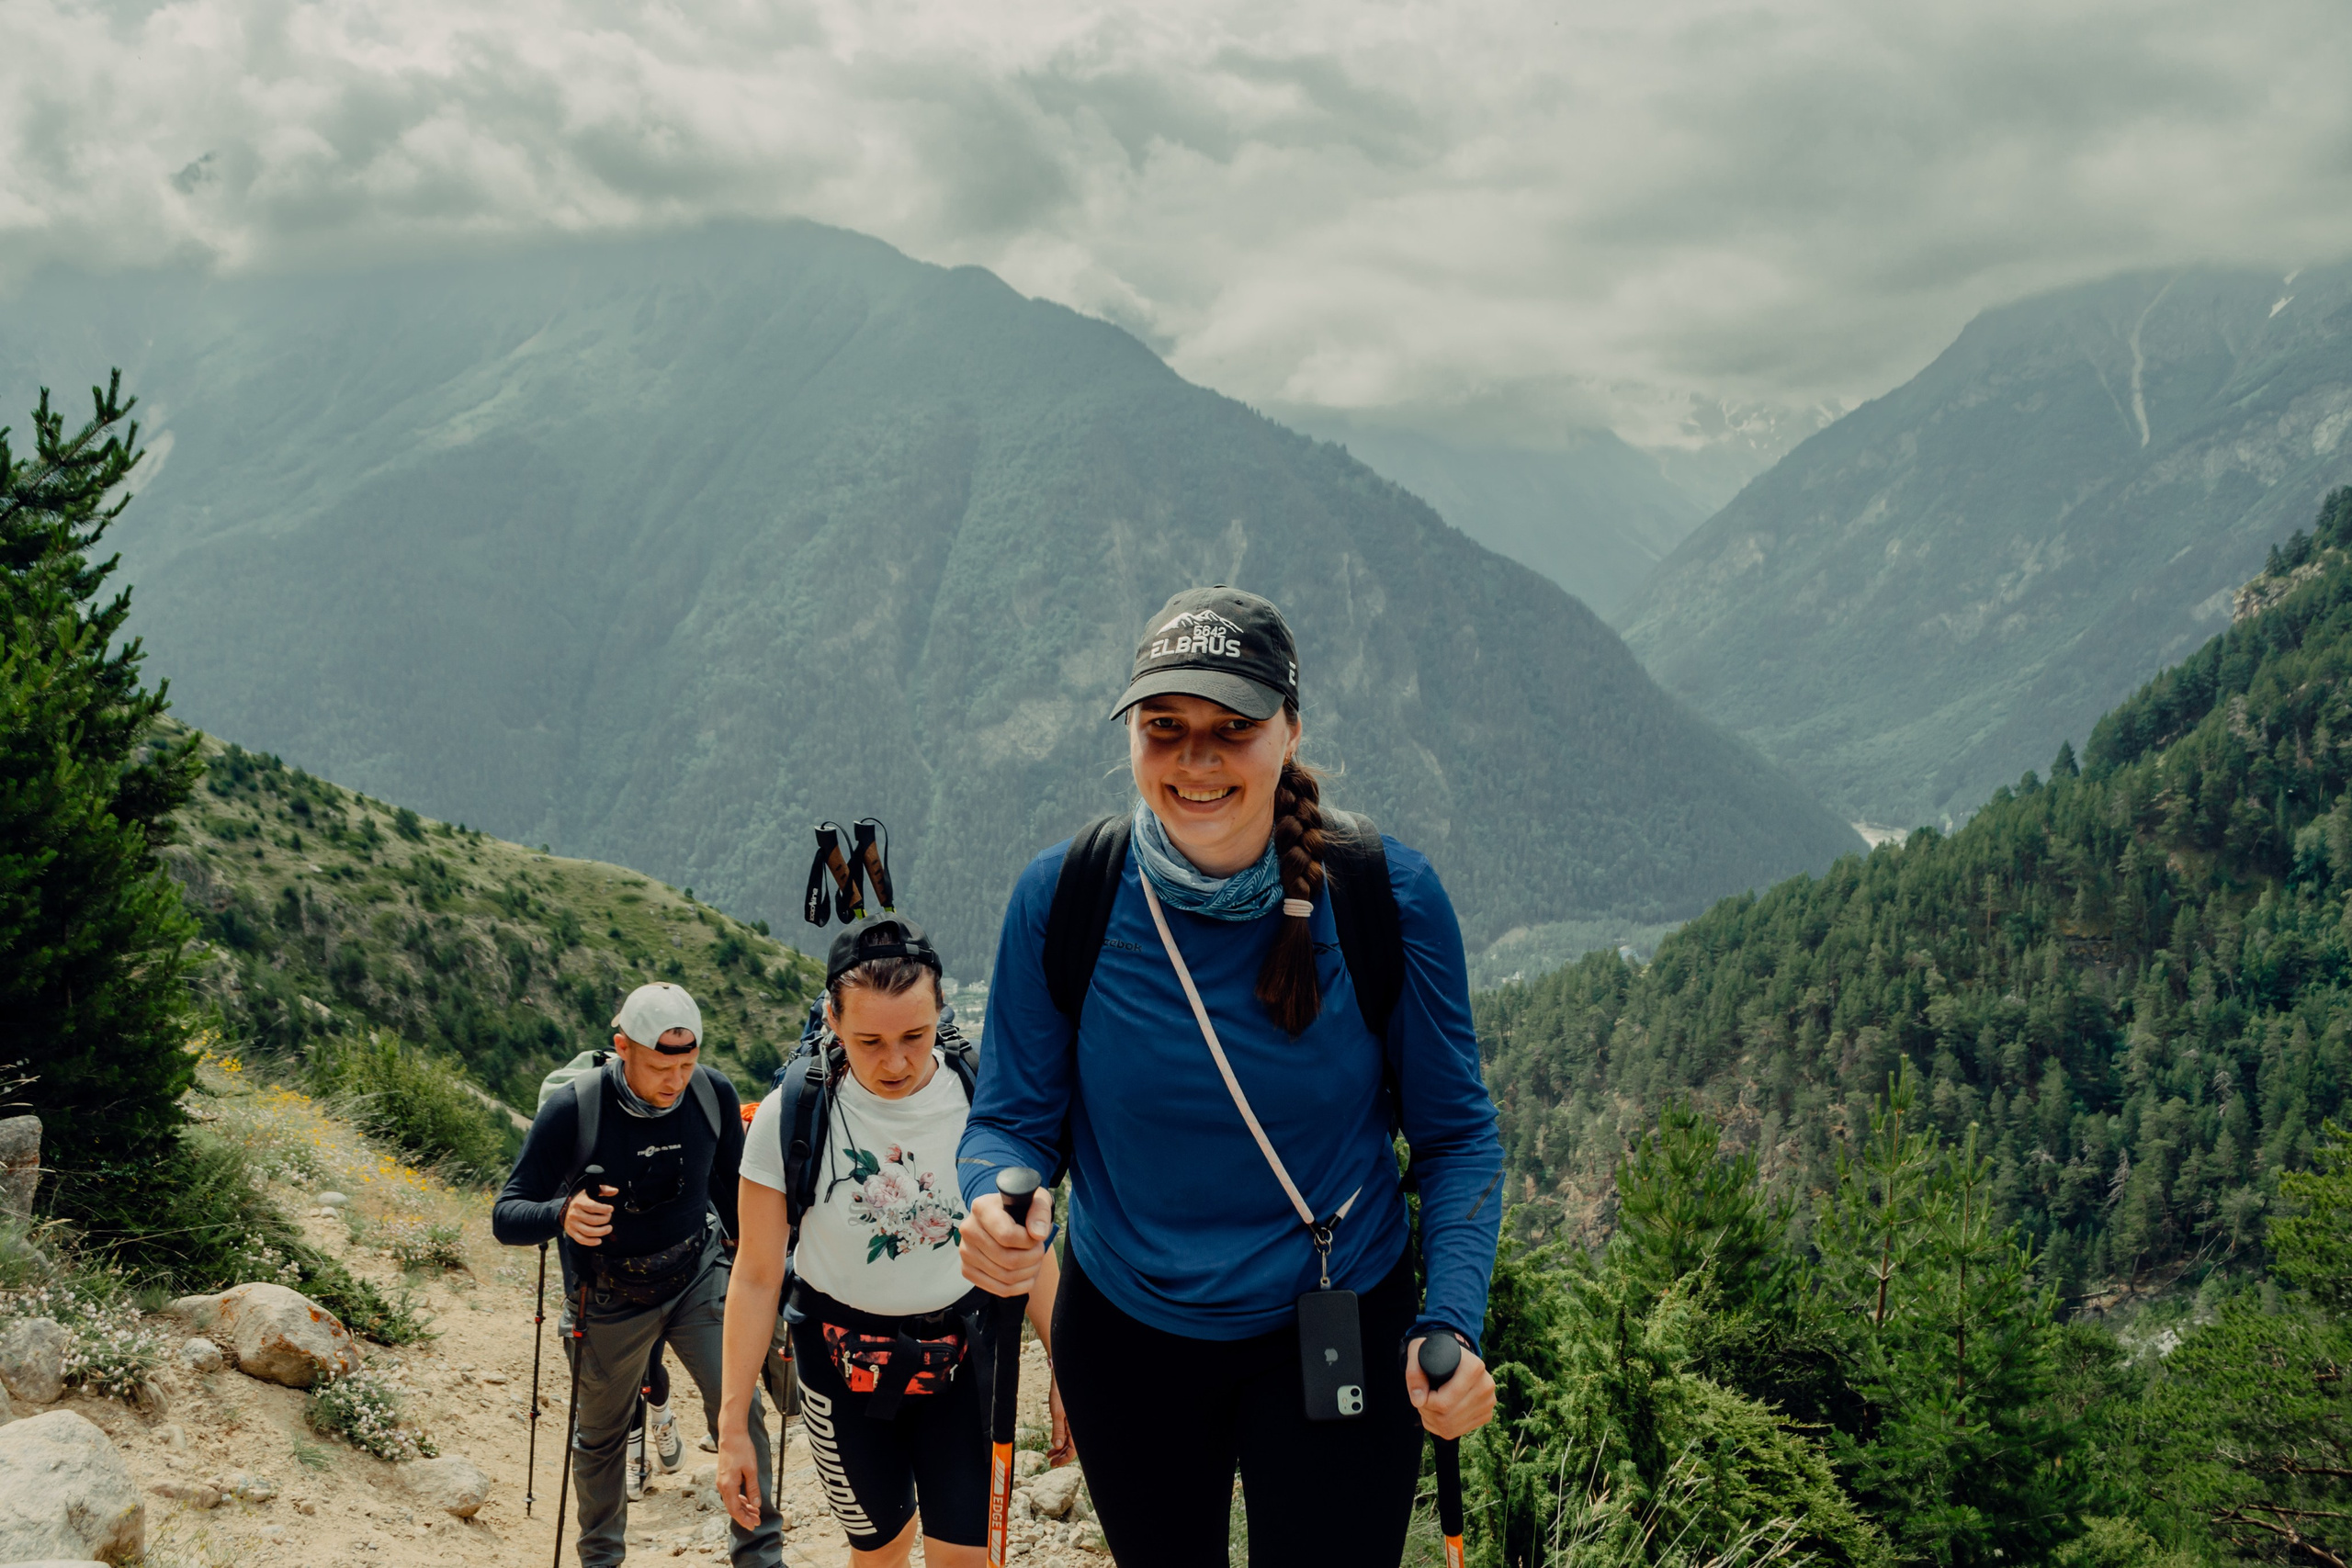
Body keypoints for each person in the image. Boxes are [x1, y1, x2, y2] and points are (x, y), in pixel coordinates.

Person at [956, 586, 1504, 1566]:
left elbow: (1456, 1136)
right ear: (1130, 736)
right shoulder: (1064, 897)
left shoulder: (1387, 897)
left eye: (1232, 728)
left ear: (1288, 730)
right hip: (1127, 1337)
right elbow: (1010, 1120)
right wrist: (993, 1205)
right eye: (1164, 728)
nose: (1195, 760)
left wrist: (1453, 1321)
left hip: (1335, 1315)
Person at [715, 917, 1065, 1568]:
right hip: (838, 1368)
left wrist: (1063, 1359)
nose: (897, 1060)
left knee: (966, 1557)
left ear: (941, 1013)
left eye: (915, 1034)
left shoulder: (983, 1102)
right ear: (831, 1019)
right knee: (880, 1551)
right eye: (869, 1039)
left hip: (965, 1362)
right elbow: (757, 1275)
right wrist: (733, 1423)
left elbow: (1024, 1247)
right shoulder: (788, 1118)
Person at [494, 981, 784, 1568]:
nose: (675, 1081)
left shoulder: (712, 1095)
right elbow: (507, 1215)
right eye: (659, 1065)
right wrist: (561, 1214)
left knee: (741, 1409)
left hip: (695, 1274)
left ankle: (759, 1555)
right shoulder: (574, 1109)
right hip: (606, 1297)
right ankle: (601, 1560)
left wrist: (768, 1276)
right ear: (622, 1046)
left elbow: (733, 1197)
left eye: (687, 1063)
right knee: (600, 1441)